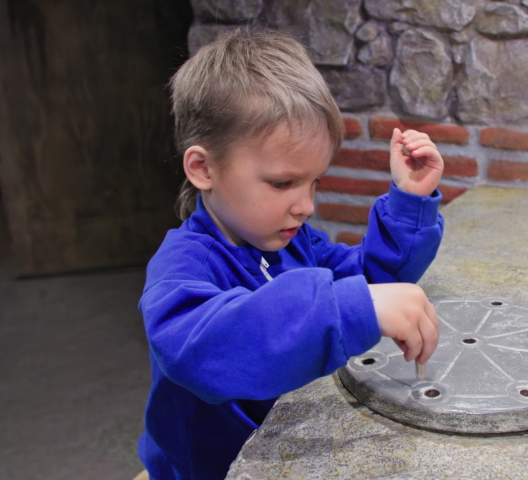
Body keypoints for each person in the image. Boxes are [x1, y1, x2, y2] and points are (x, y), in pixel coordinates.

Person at [138, 27, 445, 479]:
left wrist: (408, 201)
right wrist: (345, 307)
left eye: (314, 181)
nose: (306, 205)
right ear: (203, 168)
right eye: (283, 183)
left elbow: (371, 280)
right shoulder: (181, 268)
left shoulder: (294, 240)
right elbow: (203, 350)